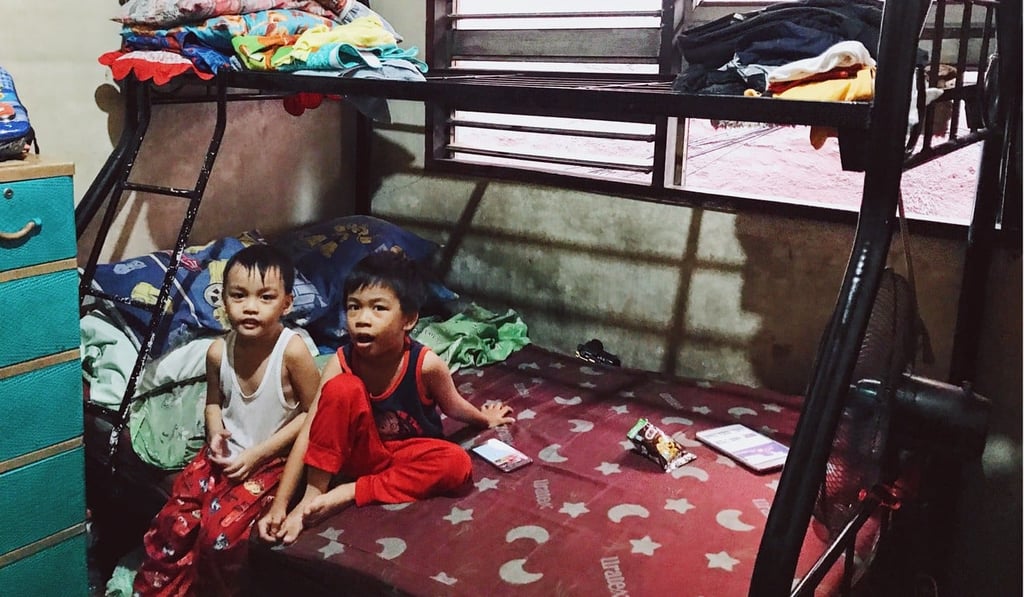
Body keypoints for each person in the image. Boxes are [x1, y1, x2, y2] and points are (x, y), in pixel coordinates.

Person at [257, 250, 515, 545]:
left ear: (408, 319)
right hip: (359, 452)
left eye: (378, 308)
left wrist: (485, 419)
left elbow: (454, 406)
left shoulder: (425, 364)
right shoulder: (342, 360)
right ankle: (316, 497)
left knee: (457, 463)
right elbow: (312, 430)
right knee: (343, 388)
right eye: (354, 307)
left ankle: (351, 491)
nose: (362, 319)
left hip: (404, 455)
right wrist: (283, 503)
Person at [133, 244, 321, 596]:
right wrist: (215, 430)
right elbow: (214, 404)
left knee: (219, 535)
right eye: (239, 295)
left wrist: (258, 455)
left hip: (270, 461)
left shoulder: (291, 351)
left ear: (287, 304)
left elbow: (314, 413)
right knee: (172, 522)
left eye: (266, 297)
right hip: (222, 455)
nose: (250, 307)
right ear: (223, 301)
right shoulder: (219, 351)